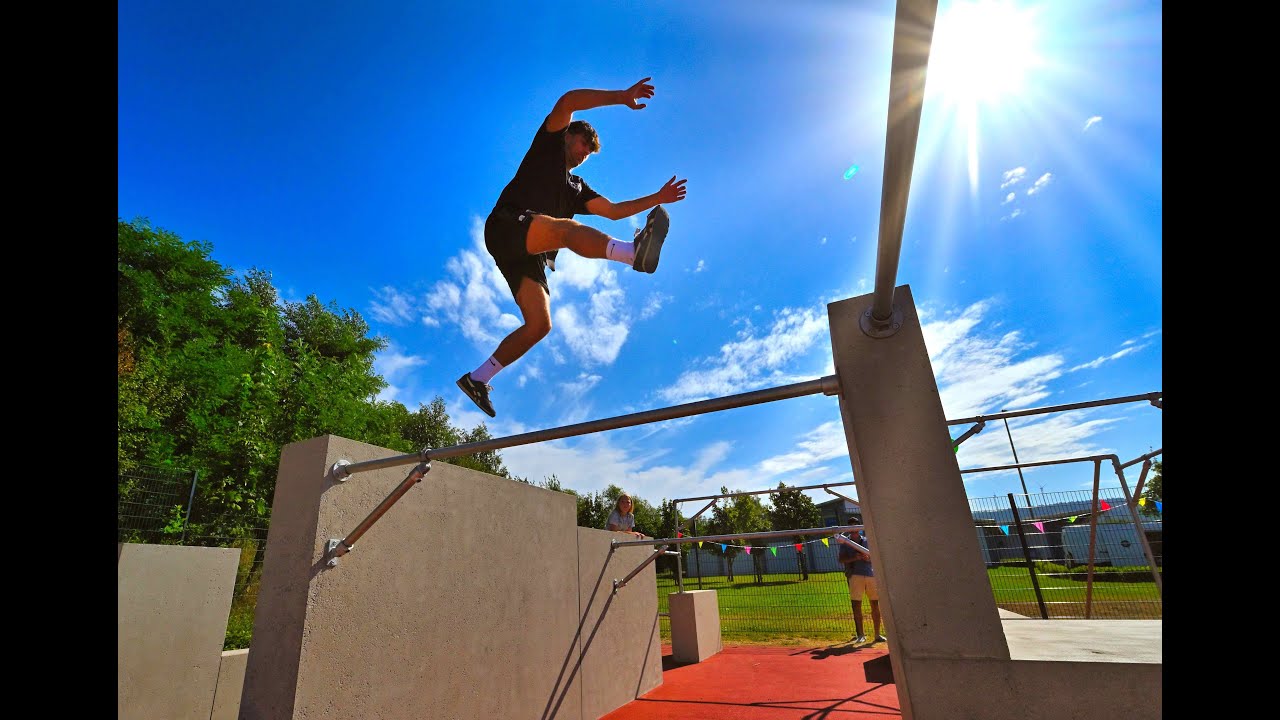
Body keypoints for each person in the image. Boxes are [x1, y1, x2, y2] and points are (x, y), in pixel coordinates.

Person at [456, 77, 689, 417]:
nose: (583, 155)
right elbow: (568, 101)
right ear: (568, 135)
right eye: (582, 145)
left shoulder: (577, 187)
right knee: (566, 231)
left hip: (528, 253)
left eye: (588, 154)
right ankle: (630, 253)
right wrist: (621, 96)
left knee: (539, 325)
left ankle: (478, 378)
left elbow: (612, 211)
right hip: (508, 225)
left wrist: (658, 197)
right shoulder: (548, 145)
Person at [835, 529, 886, 644]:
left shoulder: (868, 541)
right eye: (851, 527)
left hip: (870, 575)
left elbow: (876, 557)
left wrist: (869, 559)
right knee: (856, 605)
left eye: (855, 526)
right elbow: (841, 559)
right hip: (855, 576)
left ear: (859, 529)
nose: (853, 529)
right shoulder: (844, 542)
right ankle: (861, 635)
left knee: (875, 604)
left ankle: (877, 634)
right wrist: (855, 558)